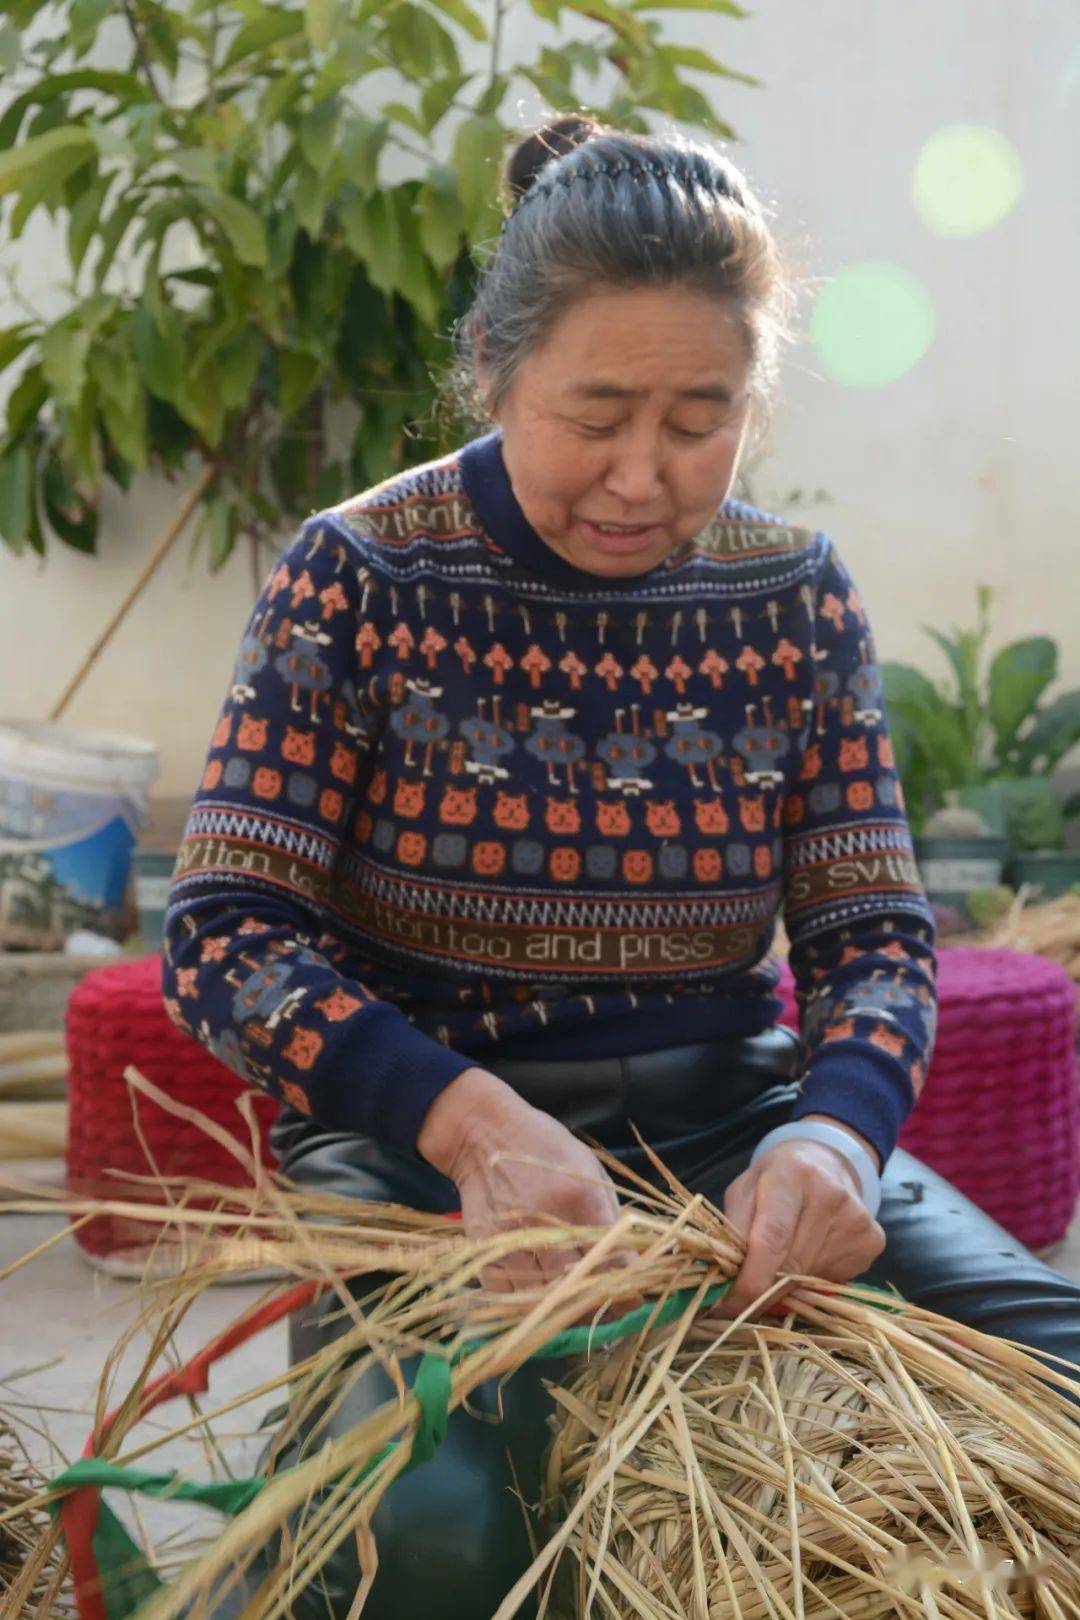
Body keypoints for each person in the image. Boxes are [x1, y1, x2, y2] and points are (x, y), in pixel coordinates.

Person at [163, 116, 1080, 1619]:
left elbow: (875, 941)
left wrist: (835, 1145)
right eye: (598, 413)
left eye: (701, 417)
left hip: (734, 1135)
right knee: (433, 1542)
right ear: (492, 366)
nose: (644, 476)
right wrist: (459, 1126)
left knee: (1056, 1384)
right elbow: (225, 935)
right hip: (420, 1164)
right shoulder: (361, 575)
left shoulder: (793, 595)